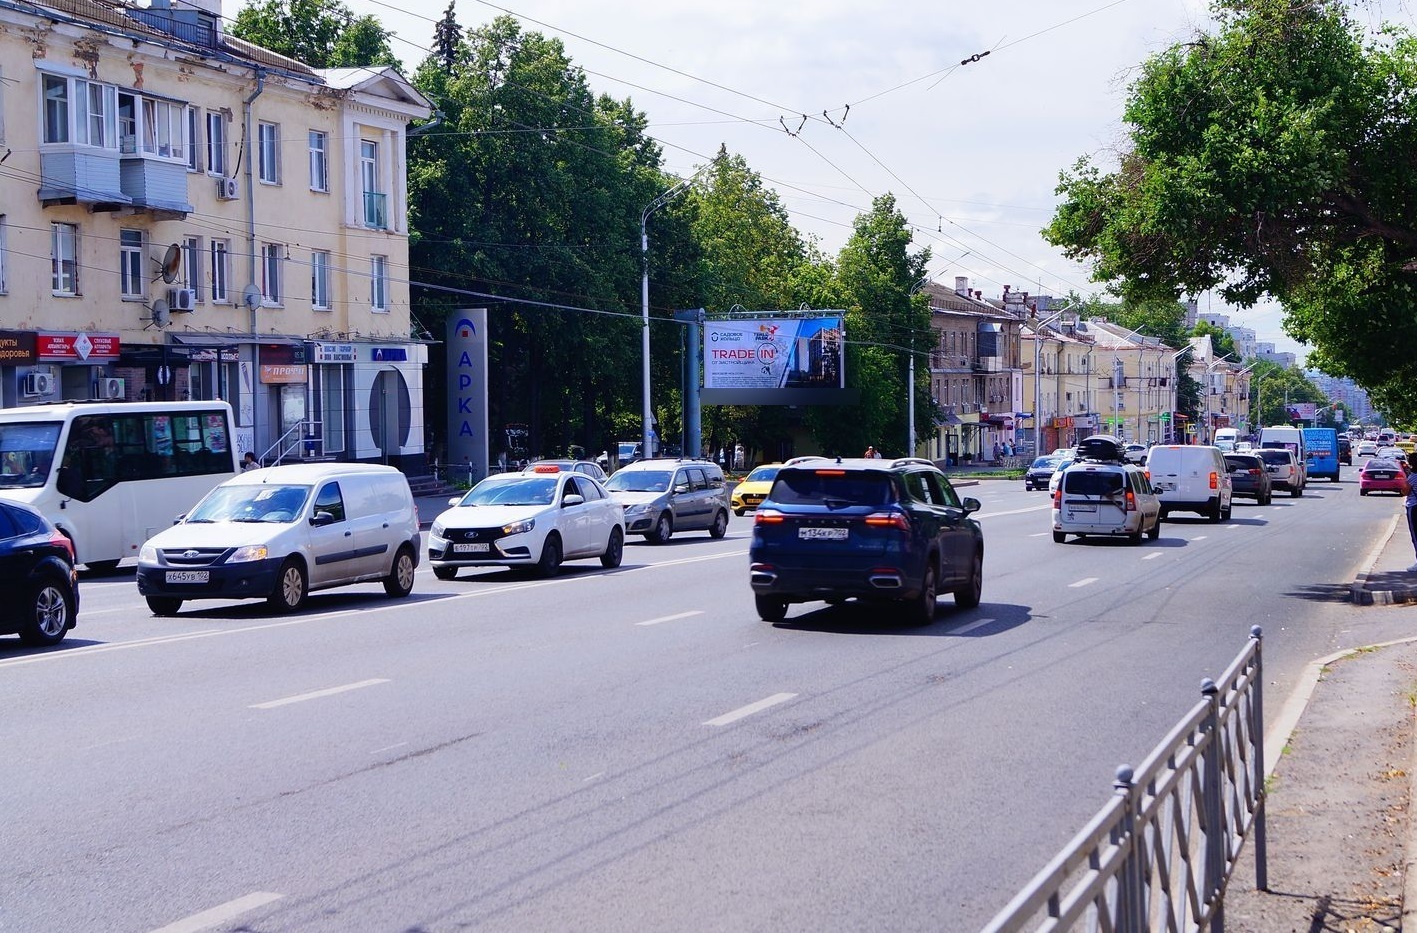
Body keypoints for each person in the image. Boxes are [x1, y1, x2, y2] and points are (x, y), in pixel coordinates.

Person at [1405, 453, 1417, 572]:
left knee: (1415, 536)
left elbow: (1405, 491)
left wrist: (1406, 478)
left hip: (1413, 507)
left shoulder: (1412, 476)